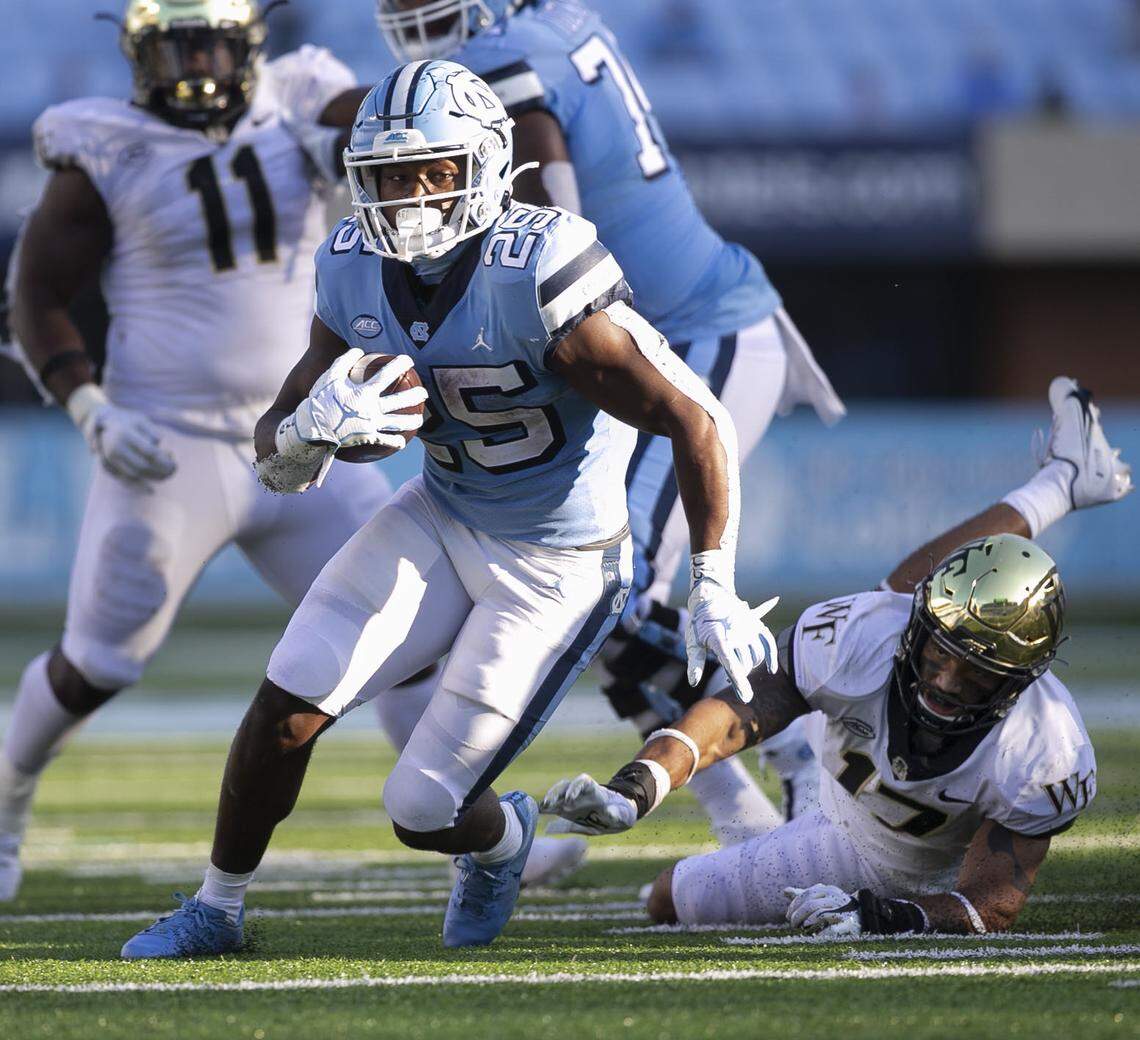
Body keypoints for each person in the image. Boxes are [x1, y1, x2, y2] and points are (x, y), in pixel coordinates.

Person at [120, 59, 778, 957]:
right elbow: (277, 437)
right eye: (392, 175)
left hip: (560, 562)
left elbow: (695, 416)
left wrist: (713, 582)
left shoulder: (540, 267)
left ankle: (501, 840)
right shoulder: (352, 266)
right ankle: (216, 907)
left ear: (485, 167)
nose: (412, 195)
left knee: (422, 809)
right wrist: (307, 437)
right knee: (288, 699)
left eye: (435, 171)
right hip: (442, 511)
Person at [369, 0, 844, 848]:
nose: (408, 11)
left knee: (614, 592)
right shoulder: (551, 27)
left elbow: (556, 211)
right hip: (658, 330)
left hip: (699, 332)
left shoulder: (502, 55)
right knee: (604, 602)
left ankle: (806, 740)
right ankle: (744, 822)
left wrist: (316, 103)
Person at [0, 0, 427, 903]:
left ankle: (463, 821)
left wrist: (387, 116)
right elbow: (34, 294)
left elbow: (385, 119)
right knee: (97, 665)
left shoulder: (301, 97)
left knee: (402, 635)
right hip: (171, 445)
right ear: (138, 52)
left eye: (210, 42)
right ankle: (5, 798)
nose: (194, 63)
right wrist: (90, 409)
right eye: (175, 45)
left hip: (306, 431)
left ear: (248, 42)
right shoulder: (105, 146)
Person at [542, 377, 1132, 934]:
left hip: (896, 862)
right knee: (668, 888)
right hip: (840, 796)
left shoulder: (1045, 749)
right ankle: (1063, 482)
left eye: (976, 673)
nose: (945, 681)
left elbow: (989, 906)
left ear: (1017, 683)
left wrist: (884, 915)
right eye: (936, 653)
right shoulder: (872, 631)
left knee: (668, 897)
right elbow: (735, 712)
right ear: (916, 628)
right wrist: (640, 782)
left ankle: (1064, 481)